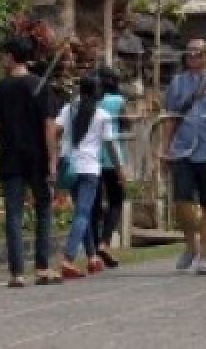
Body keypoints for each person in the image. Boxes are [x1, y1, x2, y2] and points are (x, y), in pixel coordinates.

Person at [0, 35, 58, 288]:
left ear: (11, 56)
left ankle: (17, 273)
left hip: (10, 156)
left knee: (14, 214)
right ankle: (42, 267)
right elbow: (49, 125)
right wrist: (52, 159)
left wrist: (7, 135)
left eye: (4, 54)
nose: (2, 59)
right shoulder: (41, 86)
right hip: (37, 156)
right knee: (44, 210)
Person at [161, 37, 206, 276]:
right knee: (181, 201)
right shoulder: (177, 82)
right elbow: (171, 116)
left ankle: (204, 256)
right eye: (189, 52)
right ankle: (190, 244)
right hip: (182, 148)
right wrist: (165, 148)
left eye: (198, 52)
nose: (193, 56)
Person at [55, 73, 125, 279]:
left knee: (81, 212)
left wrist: (56, 152)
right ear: (98, 94)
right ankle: (68, 258)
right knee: (83, 215)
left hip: (69, 168)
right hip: (89, 169)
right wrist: (119, 169)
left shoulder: (68, 110)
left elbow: (56, 131)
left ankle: (93, 257)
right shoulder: (102, 115)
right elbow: (110, 145)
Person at [88, 65, 127, 267]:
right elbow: (126, 122)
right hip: (113, 158)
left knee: (93, 205)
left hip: (93, 157)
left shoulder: (90, 102)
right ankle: (105, 242)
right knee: (116, 201)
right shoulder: (119, 101)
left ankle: (94, 249)